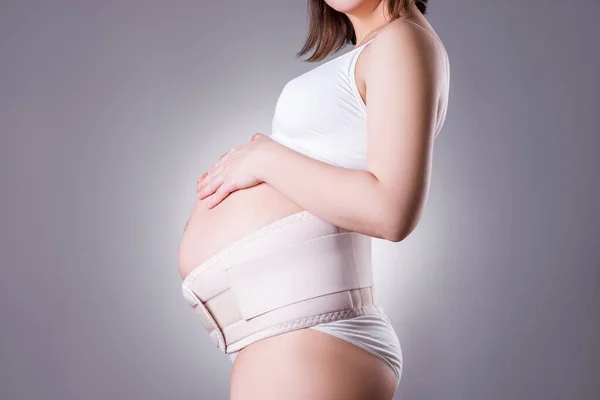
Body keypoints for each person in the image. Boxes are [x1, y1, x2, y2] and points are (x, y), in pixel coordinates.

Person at [180, 0, 449, 398]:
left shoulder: (402, 40)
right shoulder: (377, 49)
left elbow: (392, 210)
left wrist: (264, 158)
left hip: (314, 334)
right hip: (288, 336)